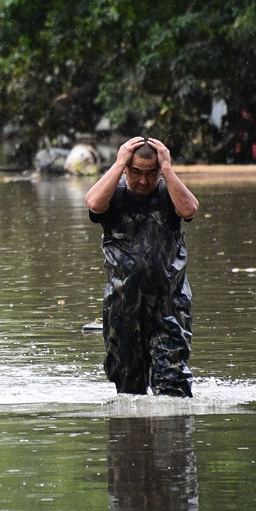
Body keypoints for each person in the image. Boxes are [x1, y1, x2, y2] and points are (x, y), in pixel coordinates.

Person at [84, 137, 199, 397]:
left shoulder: (169, 193)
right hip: (122, 309)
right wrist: (119, 163)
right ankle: (131, 437)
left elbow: (190, 209)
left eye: (151, 173)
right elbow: (93, 203)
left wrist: (168, 169)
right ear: (126, 169)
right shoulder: (114, 195)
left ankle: (173, 434)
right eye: (136, 172)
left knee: (173, 386)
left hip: (170, 308)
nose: (144, 181)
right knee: (128, 391)